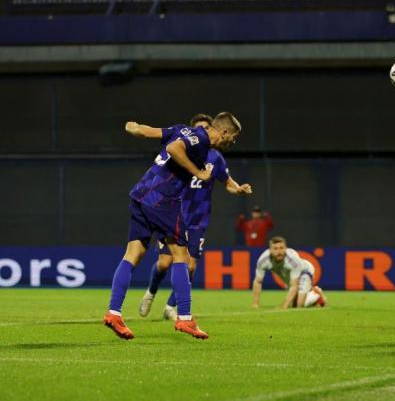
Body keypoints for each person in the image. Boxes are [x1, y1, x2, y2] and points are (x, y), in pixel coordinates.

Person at [103, 112, 241, 340]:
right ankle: (184, 319)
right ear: (224, 132)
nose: (233, 141)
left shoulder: (182, 129)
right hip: (163, 199)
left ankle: (113, 313)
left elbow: (147, 131)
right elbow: (174, 149)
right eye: (234, 137)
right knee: (182, 256)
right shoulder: (201, 140)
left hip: (141, 194)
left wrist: (134, 127)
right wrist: (198, 172)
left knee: (133, 254)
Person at [138, 114, 252, 321]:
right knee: (164, 263)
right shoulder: (186, 149)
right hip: (175, 212)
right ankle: (151, 292)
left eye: (206, 127)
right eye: (199, 128)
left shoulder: (215, 158)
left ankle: (172, 306)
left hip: (198, 218)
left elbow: (227, 181)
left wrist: (239, 189)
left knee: (190, 266)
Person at [252, 236, 326, 309]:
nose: (279, 251)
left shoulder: (292, 260)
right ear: (270, 250)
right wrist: (255, 304)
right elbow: (258, 282)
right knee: (294, 304)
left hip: (304, 271)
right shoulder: (263, 260)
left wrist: (284, 306)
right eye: (275, 248)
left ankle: (316, 294)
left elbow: (294, 285)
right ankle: (310, 293)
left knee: (299, 305)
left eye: (281, 248)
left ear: (286, 248)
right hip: (287, 273)